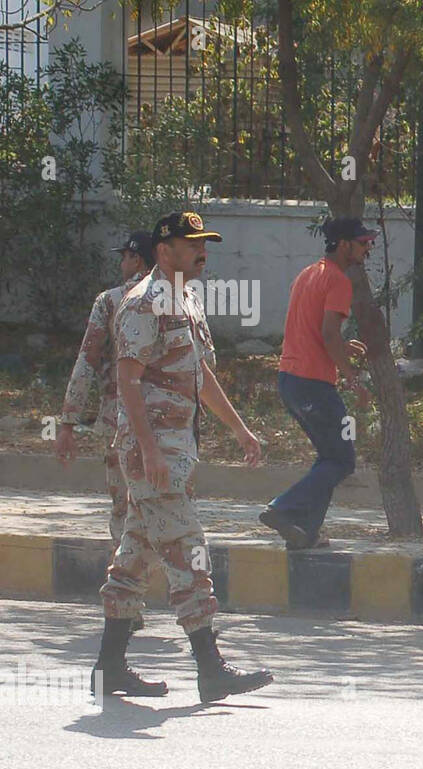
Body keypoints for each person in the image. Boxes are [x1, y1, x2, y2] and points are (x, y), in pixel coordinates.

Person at [94, 211, 272, 703]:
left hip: (176, 450)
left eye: (205, 242)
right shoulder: (142, 303)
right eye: (192, 242)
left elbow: (200, 376)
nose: (202, 251)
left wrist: (240, 430)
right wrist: (149, 451)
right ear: (163, 248)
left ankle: (108, 667)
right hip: (153, 454)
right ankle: (211, 670)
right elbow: (127, 382)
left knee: (134, 558)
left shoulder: (187, 299)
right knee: (190, 551)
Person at [258, 217, 374, 550]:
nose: (367, 248)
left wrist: (342, 343)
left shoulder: (307, 275)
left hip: (289, 380)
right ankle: (282, 508)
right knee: (341, 461)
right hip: (312, 383)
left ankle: (305, 532)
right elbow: (326, 333)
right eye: (362, 242)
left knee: (329, 456)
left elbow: (315, 330)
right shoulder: (338, 281)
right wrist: (352, 378)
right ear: (343, 244)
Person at [56, 231, 151, 556]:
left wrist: (68, 421)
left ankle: (123, 580)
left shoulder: (110, 301)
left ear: (136, 258)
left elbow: (87, 360)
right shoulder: (179, 298)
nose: (121, 263)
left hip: (120, 418)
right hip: (167, 419)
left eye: (124, 256)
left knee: (123, 507)